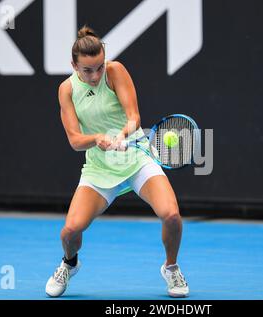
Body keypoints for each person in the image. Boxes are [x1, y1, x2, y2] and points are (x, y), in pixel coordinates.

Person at [45, 26, 189, 298]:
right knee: (70, 232)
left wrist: (123, 135)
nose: (96, 75)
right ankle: (69, 263)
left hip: (136, 160)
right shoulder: (66, 90)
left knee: (171, 216)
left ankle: (171, 267)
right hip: (99, 169)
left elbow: (133, 116)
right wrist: (97, 138)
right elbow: (75, 140)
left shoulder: (115, 71)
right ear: (73, 65)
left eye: (99, 67)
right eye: (87, 70)